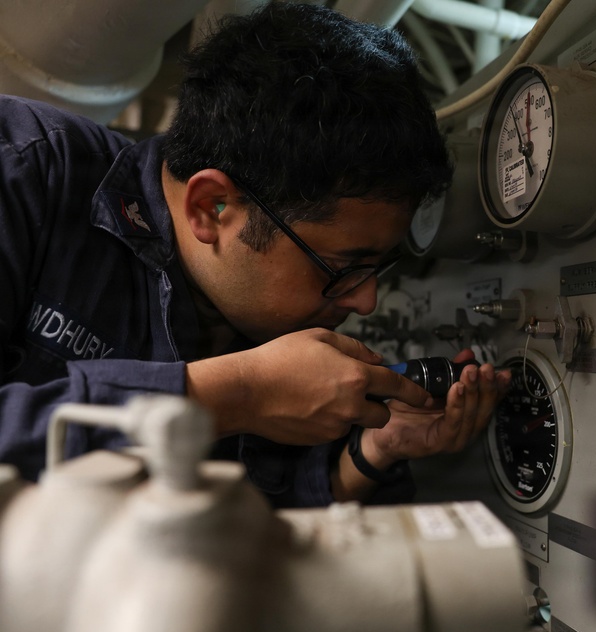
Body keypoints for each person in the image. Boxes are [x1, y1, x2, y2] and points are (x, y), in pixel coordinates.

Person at [0, 2, 509, 507]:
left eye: (378, 267)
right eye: (343, 267)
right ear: (212, 207)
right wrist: (238, 394)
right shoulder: (26, 168)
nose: (366, 300)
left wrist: (370, 455)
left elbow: (250, 521)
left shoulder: (259, 309)